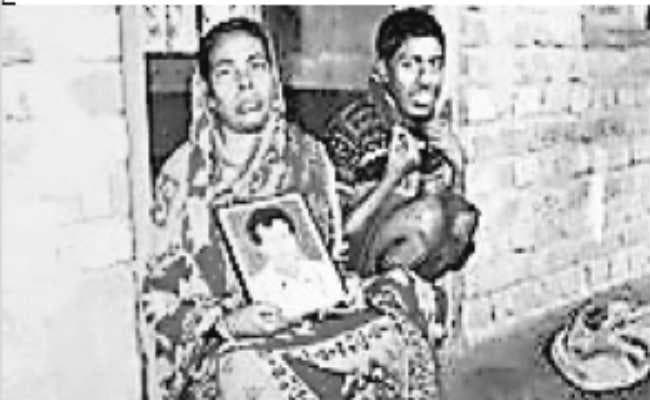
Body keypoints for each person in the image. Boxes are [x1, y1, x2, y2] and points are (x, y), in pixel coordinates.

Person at [142, 16, 474, 400]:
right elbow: (159, 298)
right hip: (237, 337)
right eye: (226, 72)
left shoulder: (307, 156)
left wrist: (337, 287)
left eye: (256, 65)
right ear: (209, 94)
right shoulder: (183, 177)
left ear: (274, 79)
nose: (245, 83)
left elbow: (331, 254)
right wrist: (226, 322)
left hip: (312, 317)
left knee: (402, 304)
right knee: (247, 371)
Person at [322, 8, 469, 276]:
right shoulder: (353, 128)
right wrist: (391, 177)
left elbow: (448, 237)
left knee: (463, 219)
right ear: (382, 70)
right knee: (428, 217)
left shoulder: (427, 127)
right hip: (348, 270)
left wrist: (458, 166)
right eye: (409, 65)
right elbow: (334, 235)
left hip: (401, 260)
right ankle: (388, 293)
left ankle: (410, 290)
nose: (425, 80)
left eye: (434, 64)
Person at [245, 206, 345, 320]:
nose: (281, 246)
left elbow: (342, 306)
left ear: (294, 237)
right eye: (272, 241)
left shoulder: (323, 270)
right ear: (261, 248)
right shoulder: (257, 288)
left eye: (284, 236)